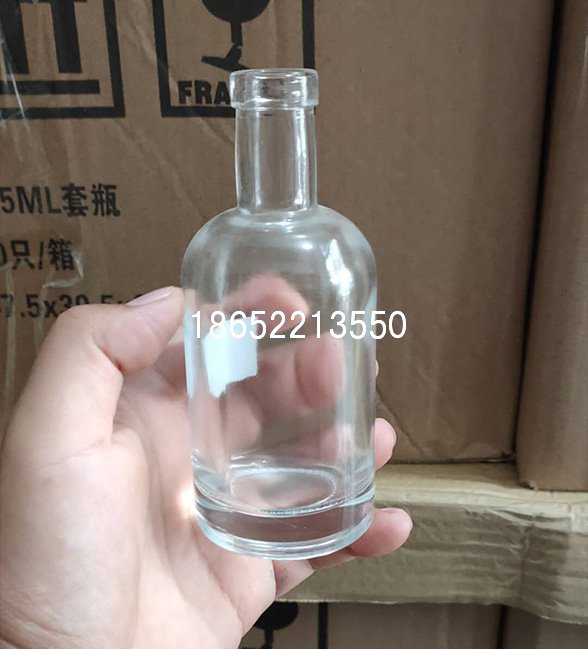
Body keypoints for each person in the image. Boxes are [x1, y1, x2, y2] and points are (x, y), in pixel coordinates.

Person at [0, 287, 412, 649]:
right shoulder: (217, 251)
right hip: (215, 521)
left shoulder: (339, 248)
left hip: (308, 514)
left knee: (340, 388)